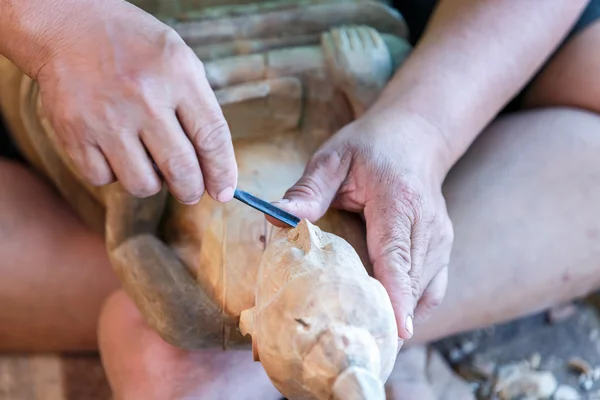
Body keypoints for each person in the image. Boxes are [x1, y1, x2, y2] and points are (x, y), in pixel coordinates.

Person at [1, 0, 600, 398]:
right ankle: (236, 343)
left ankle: (236, 352)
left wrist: (424, 125)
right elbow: (129, 226)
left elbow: (131, 229)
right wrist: (56, 25)